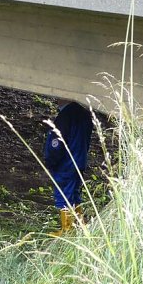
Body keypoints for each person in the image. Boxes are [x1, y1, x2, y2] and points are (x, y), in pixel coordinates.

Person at [44, 99, 93, 235]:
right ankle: (80, 225)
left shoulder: (65, 117)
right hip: (79, 161)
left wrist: (51, 161)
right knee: (74, 194)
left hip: (65, 164)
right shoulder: (84, 114)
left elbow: (56, 145)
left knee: (63, 195)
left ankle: (67, 230)